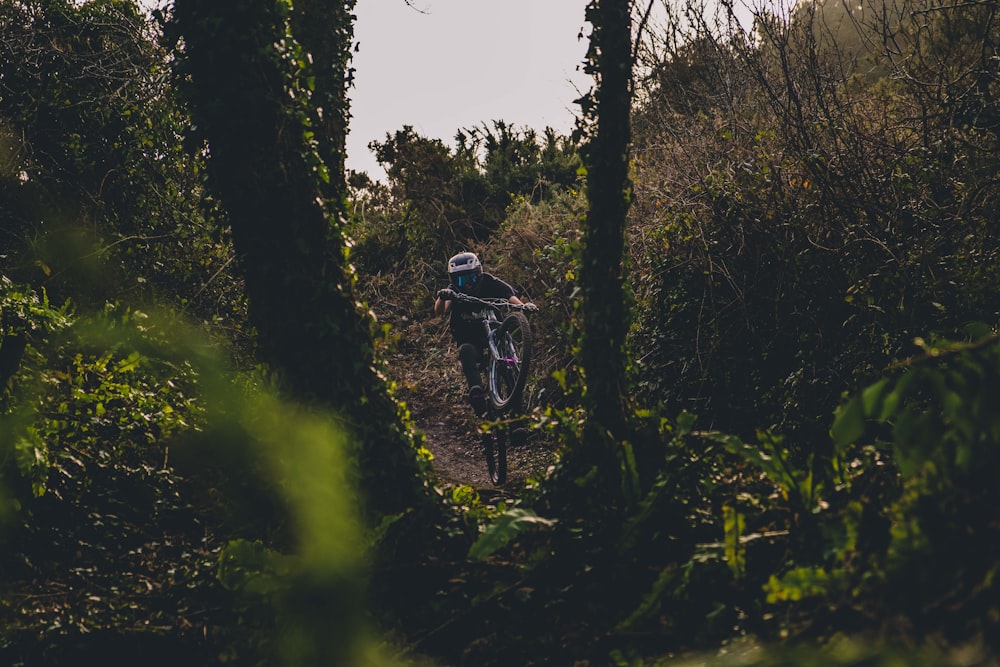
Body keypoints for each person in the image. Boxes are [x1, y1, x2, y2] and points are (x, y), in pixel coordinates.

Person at [433, 251, 527, 419]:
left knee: (509, 370)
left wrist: (523, 307)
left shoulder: (490, 282)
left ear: (479, 274)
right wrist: (442, 296)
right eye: (462, 280)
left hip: (497, 338)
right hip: (470, 340)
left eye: (471, 279)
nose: (467, 285)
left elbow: (510, 296)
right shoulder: (453, 291)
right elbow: (441, 310)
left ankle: (517, 420)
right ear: (454, 281)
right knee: (465, 351)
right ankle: (476, 392)